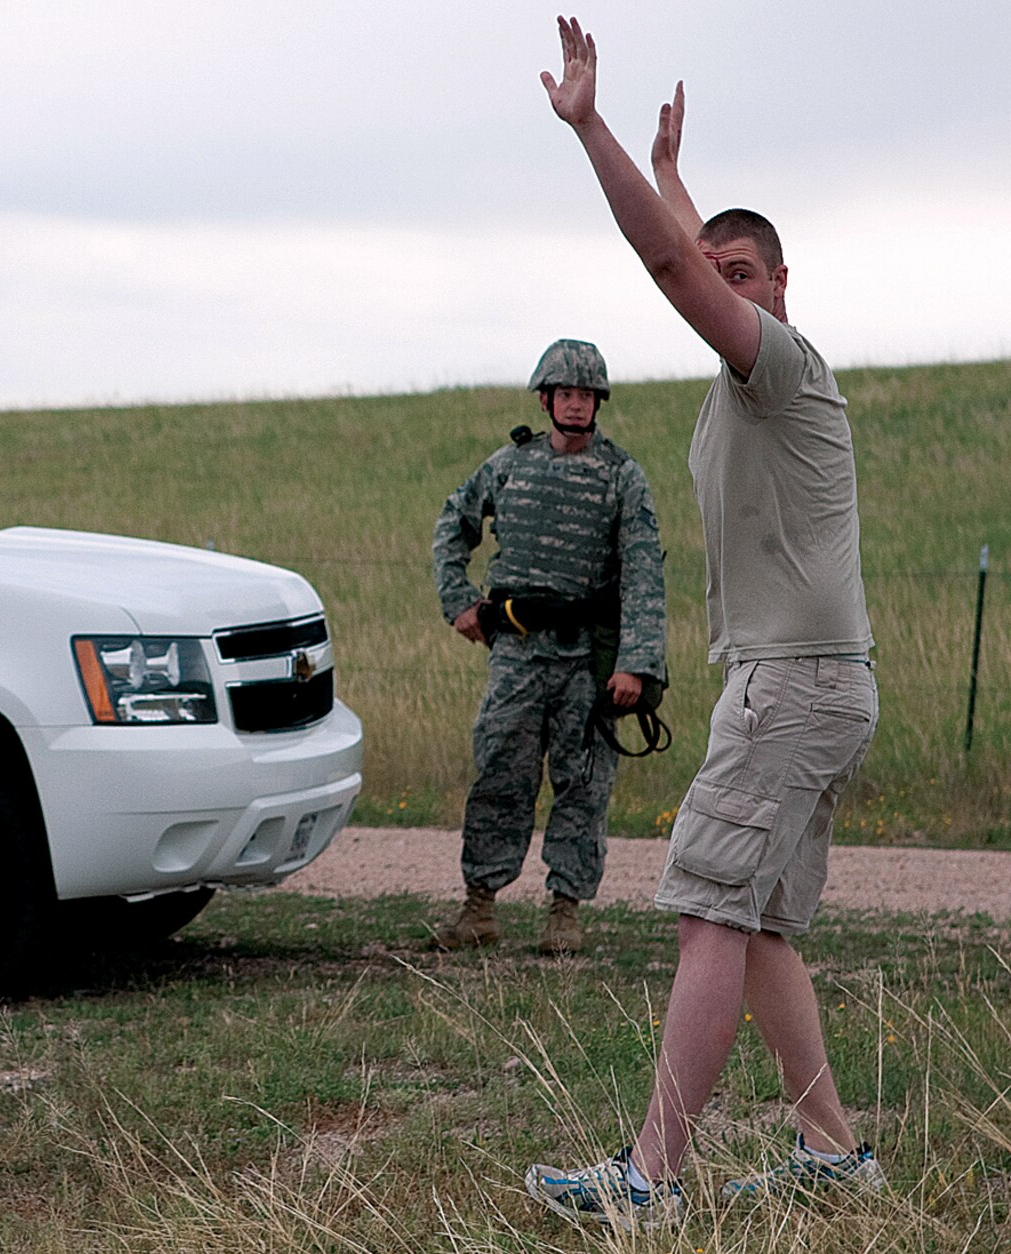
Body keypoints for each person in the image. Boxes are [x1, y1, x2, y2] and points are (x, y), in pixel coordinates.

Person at [525, 18, 885, 1229]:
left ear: (780, 291)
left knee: (706, 912)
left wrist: (591, 130)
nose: (721, 290)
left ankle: (648, 1183)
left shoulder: (777, 365)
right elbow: (692, 257)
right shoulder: (749, 384)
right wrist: (678, 176)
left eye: (746, 277)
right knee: (766, 929)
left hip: (789, 689)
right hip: (809, 684)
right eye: (716, 272)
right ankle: (831, 1153)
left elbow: (679, 270)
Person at [431, 339, 666, 954]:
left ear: (598, 403)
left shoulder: (621, 476)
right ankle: (478, 906)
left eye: (586, 395)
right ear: (546, 399)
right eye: (566, 393)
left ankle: (565, 912)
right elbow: (452, 524)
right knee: (499, 776)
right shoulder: (508, 466)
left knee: (583, 786)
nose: (576, 405)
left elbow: (644, 572)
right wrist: (457, 598)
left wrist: (636, 665)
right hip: (516, 655)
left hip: (586, 662)